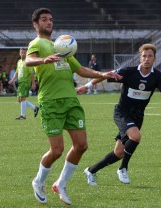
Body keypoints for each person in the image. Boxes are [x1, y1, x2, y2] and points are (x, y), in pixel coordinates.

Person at [25, 8, 121, 205]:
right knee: (57, 150)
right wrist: (43, 60)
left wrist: (102, 75)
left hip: (71, 101)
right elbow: (28, 60)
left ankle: (61, 183)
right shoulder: (37, 43)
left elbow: (80, 70)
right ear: (36, 24)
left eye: (51, 19)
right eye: (44, 20)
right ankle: (38, 181)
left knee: (81, 145)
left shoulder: (61, 46)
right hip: (51, 102)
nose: (49, 22)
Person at [76, 43, 161, 186]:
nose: (147, 59)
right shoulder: (129, 72)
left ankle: (91, 170)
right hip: (122, 112)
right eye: (144, 56)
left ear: (154, 58)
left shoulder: (157, 76)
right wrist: (87, 86)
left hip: (138, 116)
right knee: (136, 136)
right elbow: (105, 75)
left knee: (119, 152)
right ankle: (123, 168)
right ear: (140, 58)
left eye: (150, 56)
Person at [9, 48, 38, 120]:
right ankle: (35, 108)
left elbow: (32, 73)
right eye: (21, 52)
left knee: (22, 98)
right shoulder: (19, 61)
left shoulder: (28, 62)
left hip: (25, 82)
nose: (22, 53)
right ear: (19, 53)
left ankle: (23, 116)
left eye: (24, 52)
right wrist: (12, 80)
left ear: (27, 53)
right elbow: (17, 72)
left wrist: (33, 83)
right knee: (20, 99)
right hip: (20, 82)